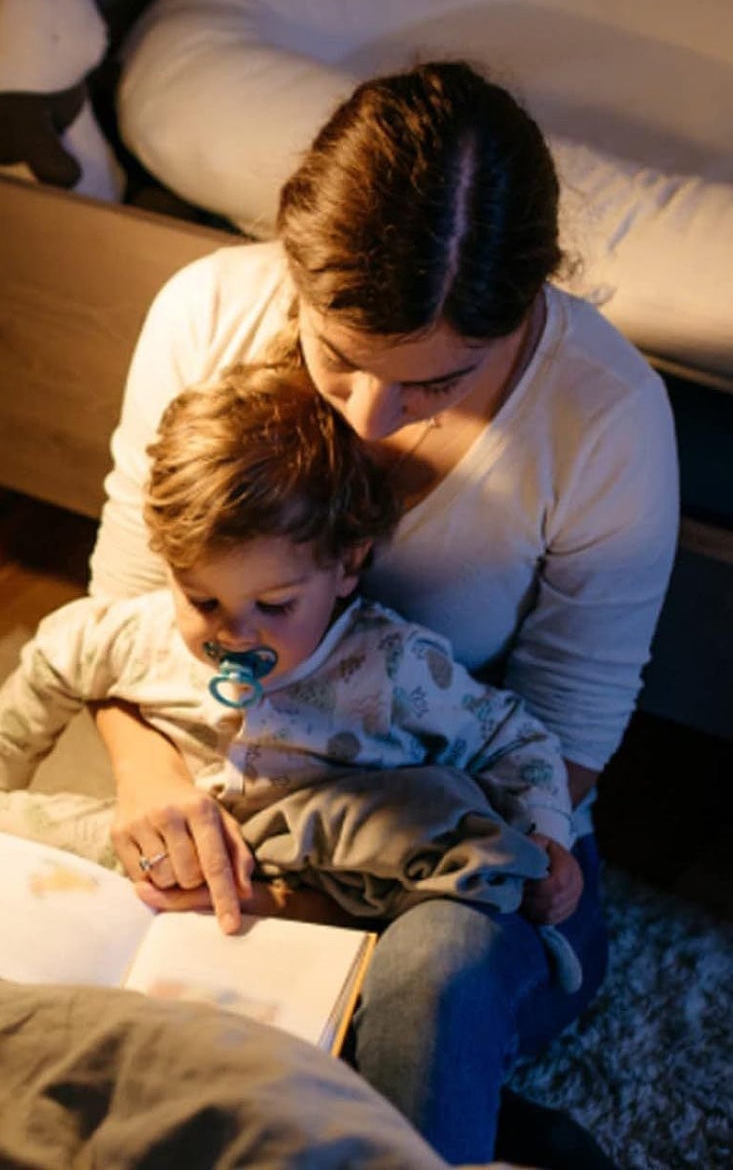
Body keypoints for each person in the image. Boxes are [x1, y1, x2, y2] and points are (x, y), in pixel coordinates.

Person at [83, 60, 678, 1164]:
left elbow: (571, 721)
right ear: (295, 273)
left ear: (523, 310)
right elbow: (120, 606)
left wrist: (374, 853)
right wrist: (147, 771)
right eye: (339, 358)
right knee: (76, 940)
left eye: (435, 381)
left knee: (424, 984)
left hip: (461, 826)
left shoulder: (603, 415)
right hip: (231, 779)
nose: (368, 420)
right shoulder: (207, 313)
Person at [0, 362, 584, 939]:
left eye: (274, 606)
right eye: (203, 602)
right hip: (178, 856)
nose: (236, 635)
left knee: (462, 875)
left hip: (341, 883)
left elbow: (514, 739)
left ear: (347, 564)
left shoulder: (394, 666)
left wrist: (548, 834)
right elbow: (53, 659)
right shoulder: (132, 635)